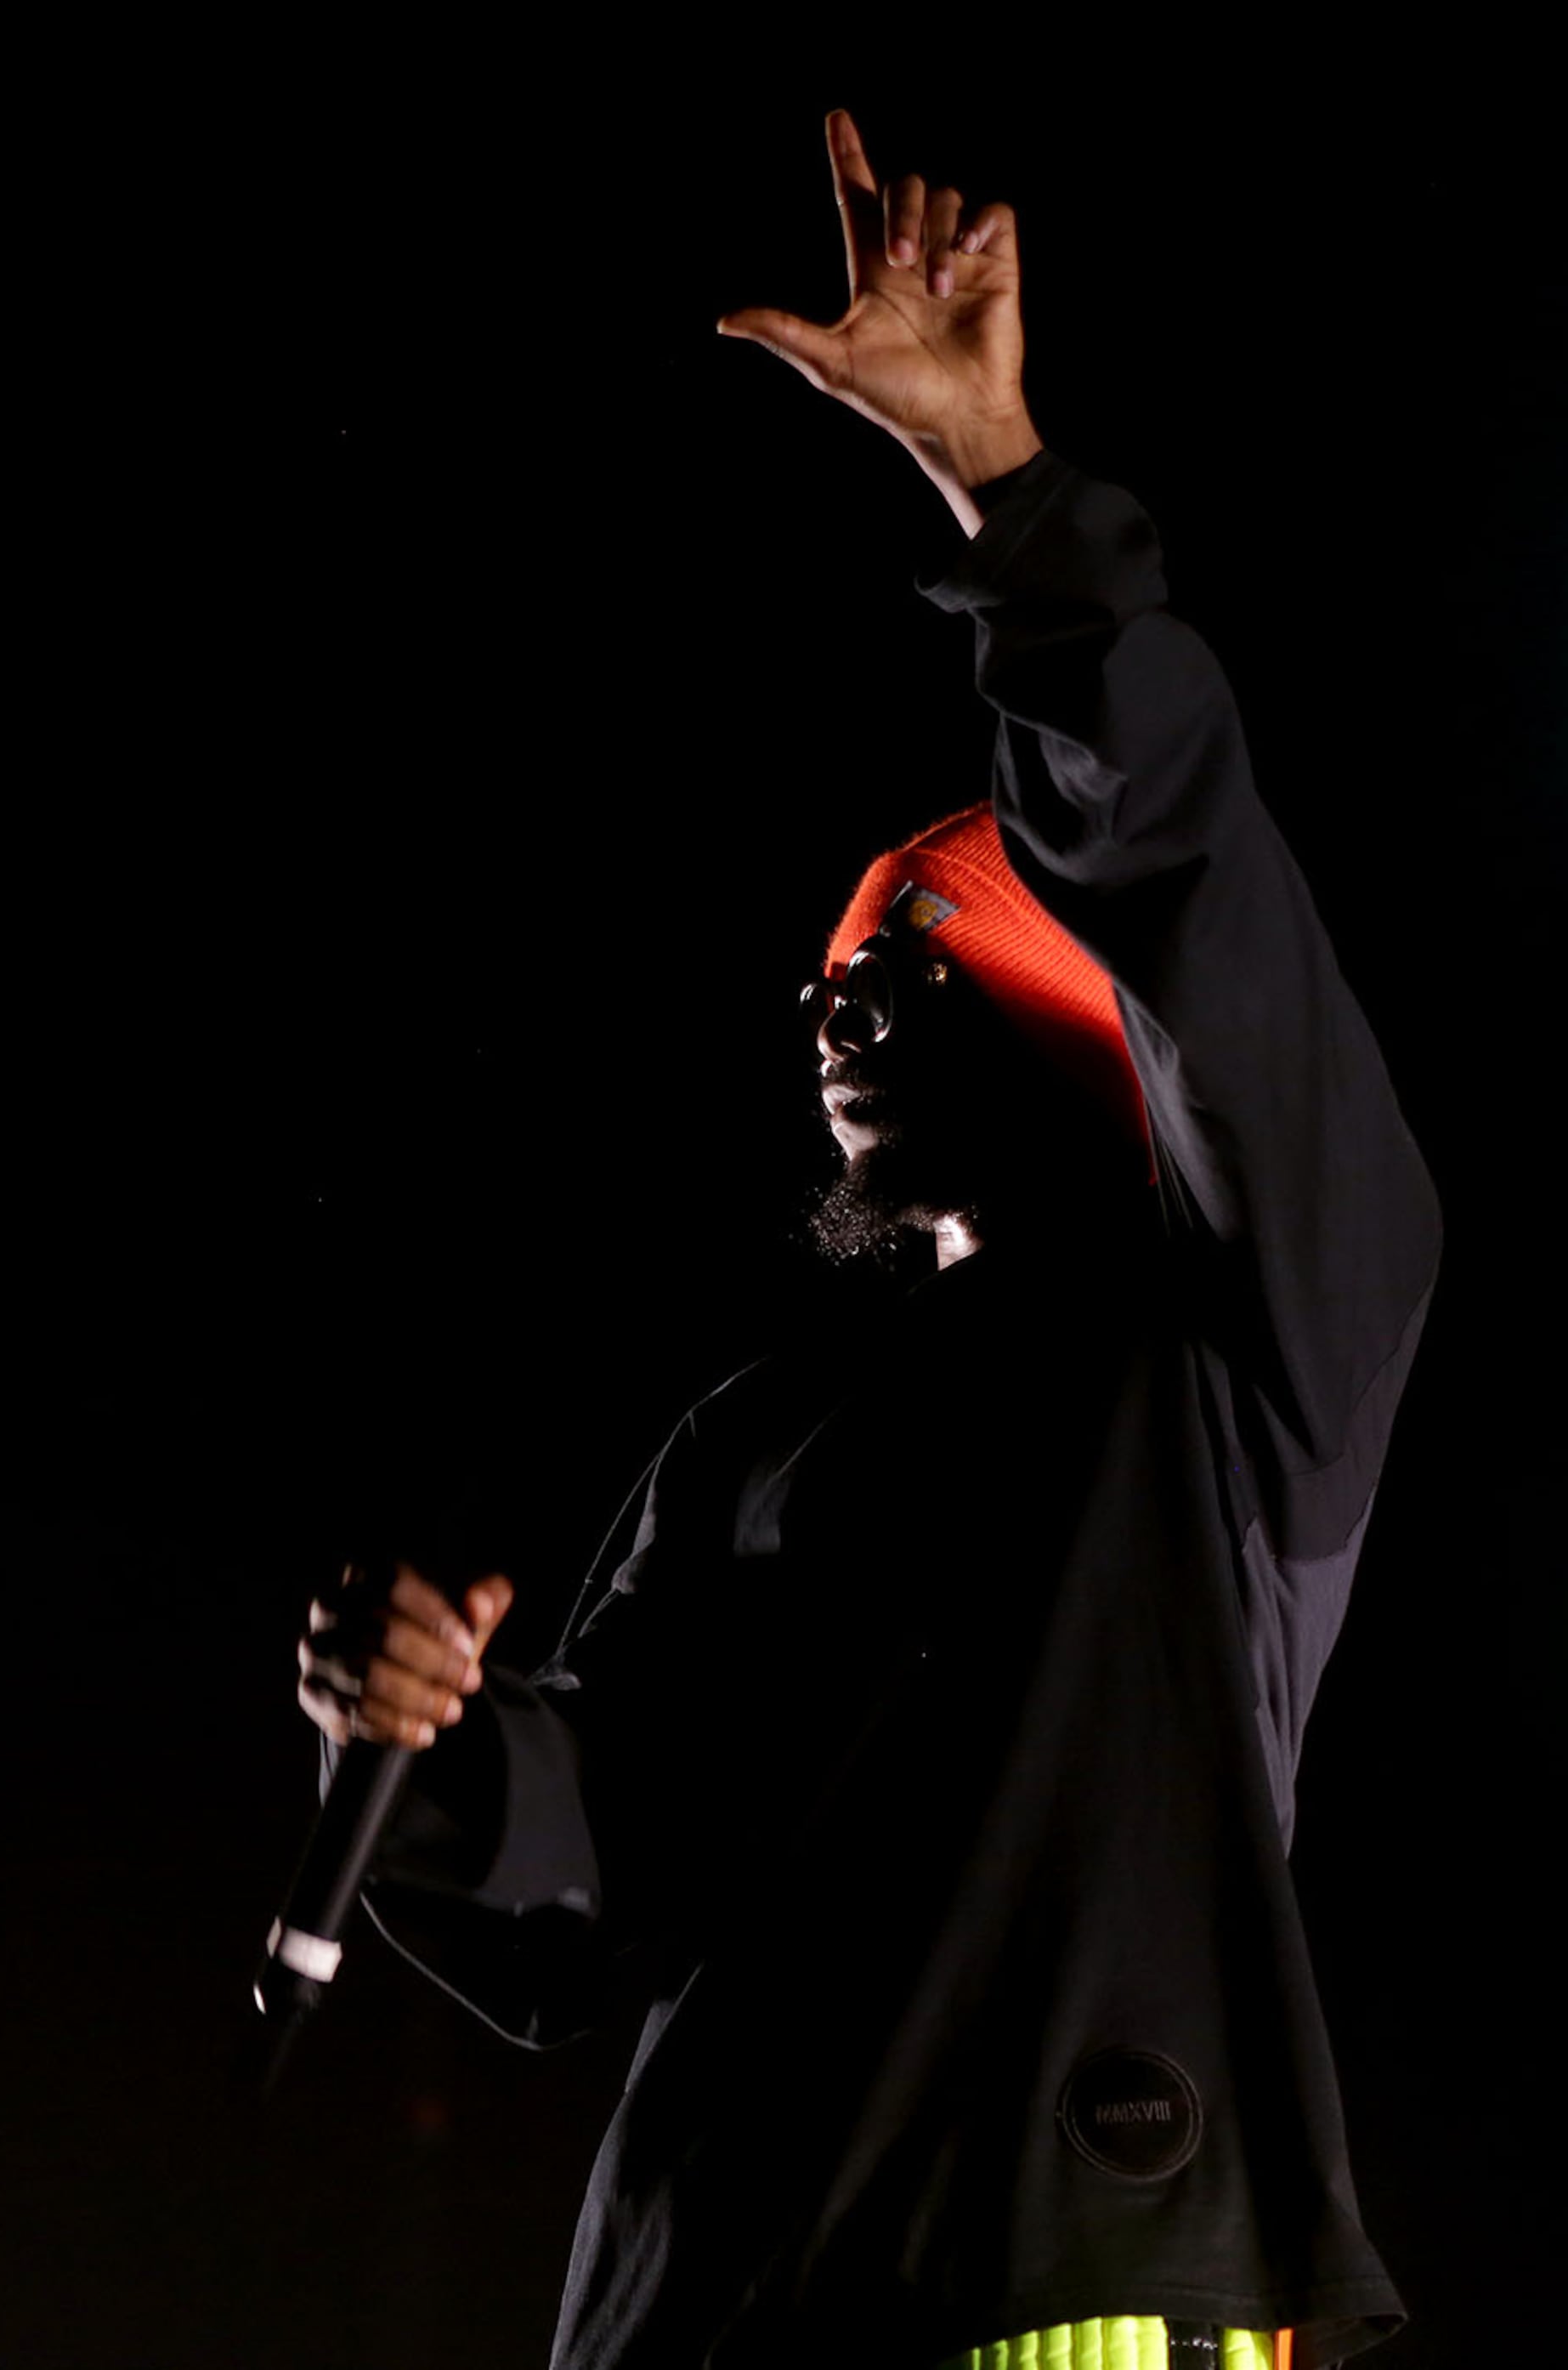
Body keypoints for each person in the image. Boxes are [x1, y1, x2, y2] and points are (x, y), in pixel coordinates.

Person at [292, 109, 1440, 2369]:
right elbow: (611, 1826)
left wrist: (1003, 492)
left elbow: (1202, 906)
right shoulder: (762, 1433)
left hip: (1071, 2283)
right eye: (829, 976)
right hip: (727, 2292)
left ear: (1055, 1023)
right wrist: (412, 1739)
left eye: (906, 965)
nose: (841, 1004)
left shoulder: (1230, 1349)